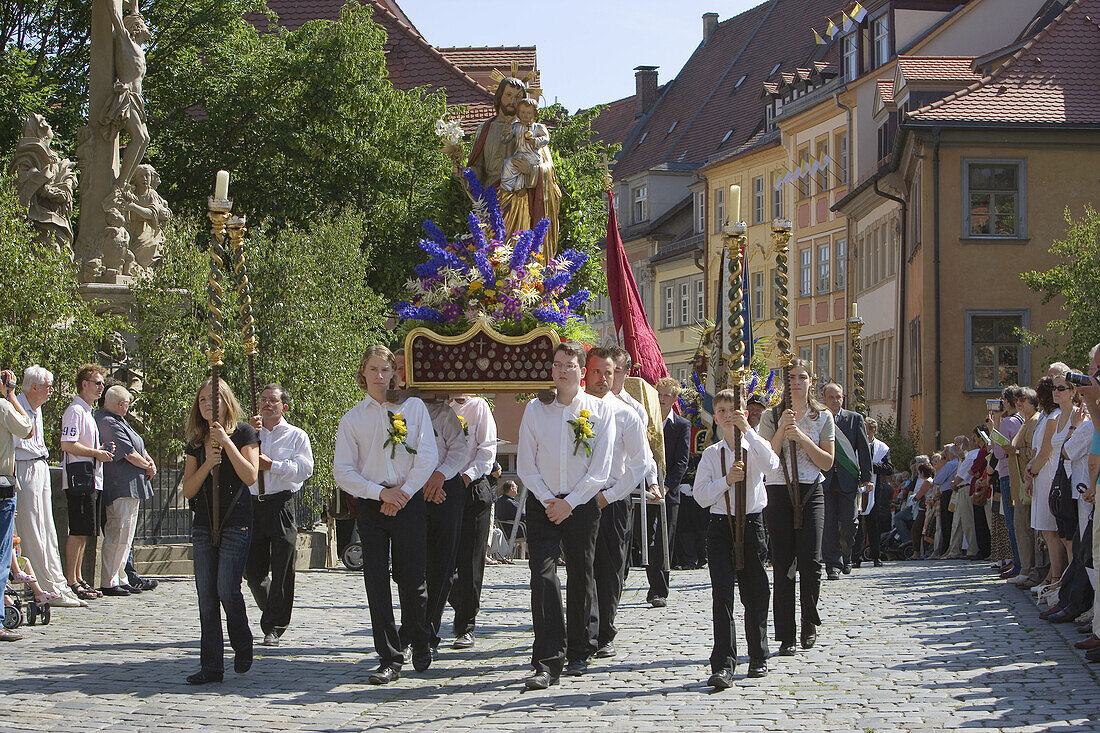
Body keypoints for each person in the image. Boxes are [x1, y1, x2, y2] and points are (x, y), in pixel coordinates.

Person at [333, 346, 438, 685]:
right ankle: (389, 656)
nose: (380, 376)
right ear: (363, 373)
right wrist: (381, 493)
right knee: (375, 581)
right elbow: (343, 471)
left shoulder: (414, 408)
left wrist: (404, 492)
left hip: (408, 501)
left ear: (394, 373)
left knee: (412, 579)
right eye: (373, 369)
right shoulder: (352, 419)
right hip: (373, 502)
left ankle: (420, 639)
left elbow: (427, 455)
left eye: (385, 369)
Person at [517, 342, 615, 689]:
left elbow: (601, 470)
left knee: (580, 574)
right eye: (557, 364)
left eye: (569, 365)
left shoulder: (599, 411)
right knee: (542, 577)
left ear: (582, 371)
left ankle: (578, 649)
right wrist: (548, 500)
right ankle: (546, 656)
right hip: (544, 503)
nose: (561, 371)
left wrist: (570, 502)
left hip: (581, 502)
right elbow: (526, 464)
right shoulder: (535, 409)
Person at [695, 388, 779, 686]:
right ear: (715, 417)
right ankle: (723, 663)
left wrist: (749, 432)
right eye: (722, 412)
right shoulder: (711, 455)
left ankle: (758, 655)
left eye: (733, 411)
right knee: (723, 596)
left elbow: (772, 465)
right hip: (721, 526)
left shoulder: (755, 446)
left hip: (752, 523)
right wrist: (726, 481)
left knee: (756, 592)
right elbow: (701, 496)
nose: (728, 416)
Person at [181, 377, 260, 684]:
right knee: (206, 596)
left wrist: (227, 445)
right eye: (201, 400)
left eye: (212, 400)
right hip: (204, 522)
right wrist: (206, 464)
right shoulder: (196, 441)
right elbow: (188, 490)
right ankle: (212, 665)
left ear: (225, 402)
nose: (206, 406)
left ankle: (242, 640)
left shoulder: (244, 433)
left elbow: (250, 475)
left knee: (227, 587)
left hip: (235, 519)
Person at [758, 359, 835, 655]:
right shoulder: (771, 415)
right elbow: (767, 455)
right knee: (783, 564)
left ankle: (809, 621)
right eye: (791, 377)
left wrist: (801, 437)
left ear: (811, 381)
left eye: (802, 377)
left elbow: (826, 462)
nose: (796, 382)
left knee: (811, 562)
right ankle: (786, 633)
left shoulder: (822, 416)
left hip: (810, 489)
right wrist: (782, 429)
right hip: (779, 489)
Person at [393, 351, 467, 652]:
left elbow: (459, 451)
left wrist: (439, 476)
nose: (400, 374)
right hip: (408, 493)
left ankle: (428, 630)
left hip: (442, 492)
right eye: (395, 369)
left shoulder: (440, 411)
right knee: (408, 568)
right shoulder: (389, 409)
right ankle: (411, 627)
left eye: (405, 367)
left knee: (441, 566)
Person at [584, 348, 649, 661]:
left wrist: (609, 496)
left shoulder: (627, 413)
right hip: (579, 500)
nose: (602, 379)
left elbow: (641, 463)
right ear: (586, 372)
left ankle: (604, 632)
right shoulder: (573, 409)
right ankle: (585, 631)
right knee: (583, 569)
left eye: (608, 373)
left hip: (613, 498)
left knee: (609, 570)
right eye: (597, 372)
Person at [245, 383, 314, 647]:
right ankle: (272, 611)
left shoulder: (297, 436)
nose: (266, 404)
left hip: (281, 504)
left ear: (284, 406)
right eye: (262, 400)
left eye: (272, 401)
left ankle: (274, 626)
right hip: (253, 504)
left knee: (283, 566)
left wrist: (272, 465)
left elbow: (304, 469)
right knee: (253, 572)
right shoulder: (250, 432)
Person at [12, 365, 84, 608]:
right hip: (24, 466)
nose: (52, 390)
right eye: (47, 386)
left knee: (47, 528)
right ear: (34, 387)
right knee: (31, 528)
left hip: (40, 465)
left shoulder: (37, 408)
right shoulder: (16, 404)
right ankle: (42, 586)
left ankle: (57, 583)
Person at [448, 391, 498, 649]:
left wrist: (466, 477)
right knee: (439, 561)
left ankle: (465, 625)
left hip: (471, 487)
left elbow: (487, 450)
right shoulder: (435, 405)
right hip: (440, 487)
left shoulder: (478, 406)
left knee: (470, 562)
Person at [95, 385, 154, 596]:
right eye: (127, 404)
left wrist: (149, 461)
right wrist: (147, 466)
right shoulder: (107, 421)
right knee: (117, 533)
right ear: (121, 404)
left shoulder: (121, 420)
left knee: (126, 537)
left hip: (132, 485)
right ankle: (108, 580)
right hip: (120, 485)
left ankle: (121, 576)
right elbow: (128, 453)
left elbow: (138, 445)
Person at [60, 364, 113, 601]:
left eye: (102, 383)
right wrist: (95, 453)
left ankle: (79, 576)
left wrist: (99, 451)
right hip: (79, 477)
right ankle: (71, 579)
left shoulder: (88, 412)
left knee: (85, 531)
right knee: (78, 529)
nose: (101, 387)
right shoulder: (75, 411)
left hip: (91, 476)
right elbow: (67, 444)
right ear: (84, 384)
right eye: (97, 383)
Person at [646, 377, 690, 607]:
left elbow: (682, 462)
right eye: (659, 395)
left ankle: (659, 589)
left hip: (669, 492)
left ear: (674, 399)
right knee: (644, 538)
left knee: (664, 541)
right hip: (646, 490)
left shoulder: (681, 425)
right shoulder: (647, 422)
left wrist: (666, 486)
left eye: (666, 396)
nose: (662, 400)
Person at [821, 382, 872, 579]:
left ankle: (847, 555)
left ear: (843, 398)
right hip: (825, 479)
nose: (835, 401)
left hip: (847, 478)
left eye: (838, 397)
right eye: (831, 397)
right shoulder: (819, 418)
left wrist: (867, 478)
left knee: (850, 522)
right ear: (824, 399)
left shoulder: (854, 419)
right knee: (828, 524)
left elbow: (863, 451)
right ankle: (832, 564)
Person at [1025, 376, 1068, 590]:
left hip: (1048, 475)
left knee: (1052, 532)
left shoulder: (1055, 417)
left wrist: (1031, 471)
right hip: (1041, 475)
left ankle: (1056, 578)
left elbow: (1045, 452)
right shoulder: (1047, 416)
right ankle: (1052, 576)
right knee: (1047, 532)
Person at [0, 368, 33, 641]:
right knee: (2, 557)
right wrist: (10, 395)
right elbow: (27, 428)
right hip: (1, 488)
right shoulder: (2, 406)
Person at [1008, 388, 1041, 585]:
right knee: (1021, 527)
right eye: (1017, 400)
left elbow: (1033, 452)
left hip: (1027, 481)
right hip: (1020, 482)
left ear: (1033, 402)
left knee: (1026, 527)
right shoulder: (1025, 422)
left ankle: (1029, 569)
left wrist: (1016, 451)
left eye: (1023, 400)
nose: (1019, 403)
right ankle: (1025, 568)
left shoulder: (1035, 421)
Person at [857, 417, 893, 568]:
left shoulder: (882, 448)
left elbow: (889, 468)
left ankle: (876, 555)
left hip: (875, 488)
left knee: (873, 523)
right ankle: (856, 556)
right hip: (858, 487)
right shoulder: (856, 445)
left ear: (871, 431)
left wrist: (869, 466)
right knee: (857, 523)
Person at [500, 98, 551, 193]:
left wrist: (535, 141)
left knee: (521, 167)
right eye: (523, 112)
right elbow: (506, 140)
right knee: (508, 164)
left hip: (533, 156)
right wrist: (506, 133)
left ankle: (519, 187)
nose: (525, 115)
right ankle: (507, 188)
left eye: (529, 113)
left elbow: (546, 138)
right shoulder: (515, 126)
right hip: (520, 154)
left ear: (534, 114)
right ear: (518, 113)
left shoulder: (538, 127)